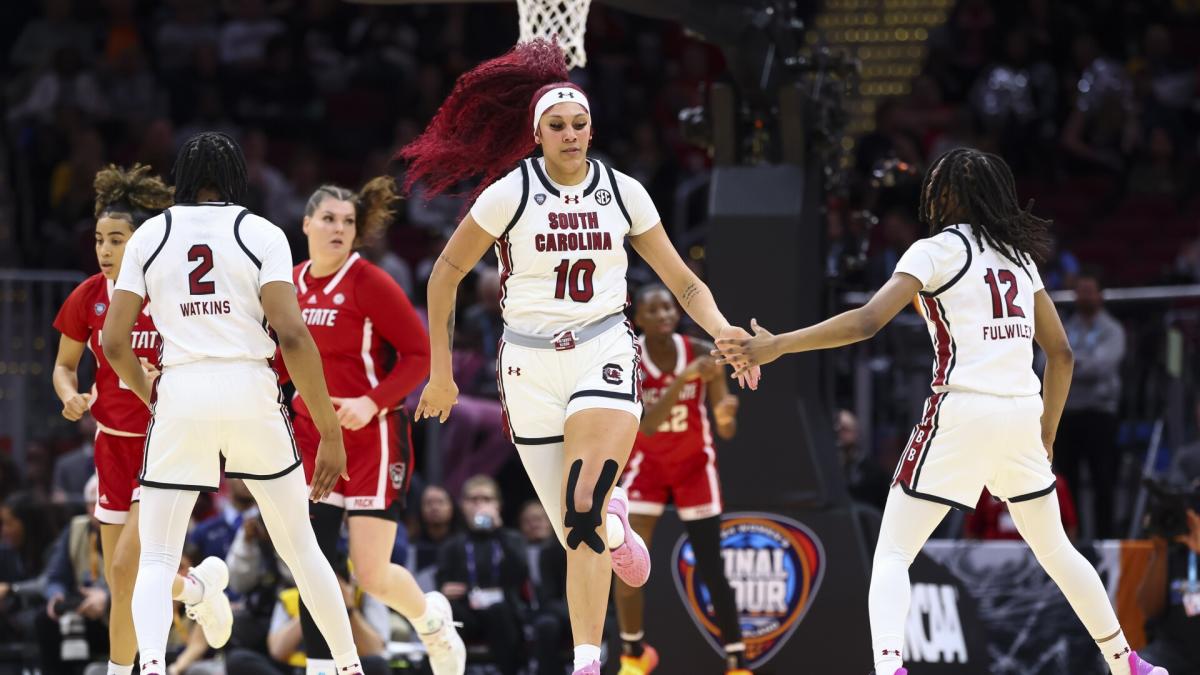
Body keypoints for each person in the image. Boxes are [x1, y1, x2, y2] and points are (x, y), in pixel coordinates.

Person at [715, 148, 1165, 675]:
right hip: (1021, 411)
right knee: (1057, 551)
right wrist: (1045, 434)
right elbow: (1062, 354)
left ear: (945, 194)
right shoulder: (1019, 258)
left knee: (893, 552)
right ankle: (1126, 662)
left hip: (963, 407)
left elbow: (865, 322)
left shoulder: (933, 251)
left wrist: (779, 345)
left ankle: (890, 668)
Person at [400, 39, 759, 675]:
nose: (571, 134)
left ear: (593, 127)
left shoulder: (624, 192)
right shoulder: (510, 193)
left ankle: (586, 663)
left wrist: (727, 332)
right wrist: (442, 371)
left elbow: (684, 283)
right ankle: (619, 535)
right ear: (538, 135)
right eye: (557, 126)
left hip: (602, 350)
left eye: (580, 123)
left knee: (584, 502)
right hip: (528, 367)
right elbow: (443, 276)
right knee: (580, 530)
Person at [101, 131, 364, 675]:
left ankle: (150, 666)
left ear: (182, 178)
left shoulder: (150, 235)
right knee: (303, 551)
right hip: (249, 389)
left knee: (156, 555)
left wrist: (145, 389)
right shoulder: (261, 232)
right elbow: (292, 337)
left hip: (182, 390)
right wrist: (331, 434)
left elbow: (112, 341)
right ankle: (346, 667)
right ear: (236, 178)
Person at [50, 163, 231, 675]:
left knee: (129, 566)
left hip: (167, 441)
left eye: (118, 240)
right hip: (112, 443)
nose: (105, 250)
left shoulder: (173, 292)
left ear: (143, 241)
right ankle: (194, 589)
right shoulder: (88, 296)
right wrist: (70, 396)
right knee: (118, 580)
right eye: (100, 240)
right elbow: (64, 367)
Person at [285, 177, 462, 675]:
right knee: (312, 566)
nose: (339, 228)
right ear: (306, 224)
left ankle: (433, 625)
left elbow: (419, 355)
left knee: (371, 574)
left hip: (374, 436)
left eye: (347, 221)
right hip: (312, 434)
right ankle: (323, 668)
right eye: (329, 219)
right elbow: (280, 360)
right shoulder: (289, 284)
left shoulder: (370, 281)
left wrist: (372, 401)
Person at [614, 284, 747, 675]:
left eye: (669, 308)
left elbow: (725, 427)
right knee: (627, 558)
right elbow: (648, 426)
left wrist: (725, 414)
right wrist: (685, 378)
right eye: (653, 311)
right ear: (637, 318)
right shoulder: (629, 357)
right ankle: (633, 654)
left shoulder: (703, 351)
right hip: (647, 463)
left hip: (693, 464)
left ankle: (737, 659)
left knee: (710, 564)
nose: (663, 315)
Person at [435, 476, 530, 675]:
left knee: (500, 611)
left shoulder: (512, 538)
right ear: (462, 505)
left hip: (504, 612)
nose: (480, 505)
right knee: (444, 613)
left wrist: (499, 531)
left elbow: (522, 572)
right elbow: (442, 582)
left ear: (498, 505)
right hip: (467, 613)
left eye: (487, 499)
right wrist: (445, 590)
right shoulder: (453, 544)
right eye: (473, 499)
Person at [1056, 270, 1126, 539]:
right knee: (1066, 481)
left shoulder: (1113, 330)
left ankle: (1105, 539)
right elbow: (1044, 362)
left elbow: (1103, 365)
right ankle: (1072, 541)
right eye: (1080, 291)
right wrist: (1076, 362)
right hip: (1069, 412)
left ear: (1100, 295)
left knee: (1103, 481)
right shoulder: (1062, 327)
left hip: (1100, 414)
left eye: (1089, 291)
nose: (1084, 296)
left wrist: (1069, 363)